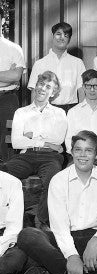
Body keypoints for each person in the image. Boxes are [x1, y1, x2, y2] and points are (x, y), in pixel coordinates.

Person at [17, 130, 97, 274]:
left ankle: (51, 272)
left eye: (88, 150)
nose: (83, 155)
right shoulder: (58, 180)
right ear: (71, 152)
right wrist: (71, 255)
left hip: (92, 238)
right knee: (28, 235)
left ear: (96, 153)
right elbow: (59, 225)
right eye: (78, 150)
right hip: (62, 237)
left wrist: (95, 242)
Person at [0, 71, 67, 229]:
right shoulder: (21, 113)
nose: (42, 88)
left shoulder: (60, 113)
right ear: (35, 87)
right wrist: (46, 141)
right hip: (26, 156)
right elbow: (16, 142)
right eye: (40, 84)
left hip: (50, 157)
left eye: (48, 86)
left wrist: (30, 137)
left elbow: (58, 140)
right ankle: (10, 220)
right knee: (3, 174)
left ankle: (40, 220)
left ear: (53, 93)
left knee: (53, 180)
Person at [28, 22, 86, 112]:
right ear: (53, 35)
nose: (62, 38)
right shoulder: (40, 63)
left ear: (69, 39)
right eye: (58, 34)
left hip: (71, 110)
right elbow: (34, 92)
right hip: (46, 110)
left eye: (66, 35)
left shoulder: (78, 63)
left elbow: (82, 91)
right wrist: (35, 114)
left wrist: (82, 113)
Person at [0, 6, 26, 161]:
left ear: (2, 20)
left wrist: (11, 77)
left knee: (7, 138)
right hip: (7, 88)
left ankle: (7, 174)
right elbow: (10, 76)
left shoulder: (14, 48)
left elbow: (16, 75)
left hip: (8, 98)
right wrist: (5, 76)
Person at [0, 171, 27, 274]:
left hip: (5, 237)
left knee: (18, 256)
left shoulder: (12, 183)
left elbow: (14, 228)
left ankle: (4, 272)